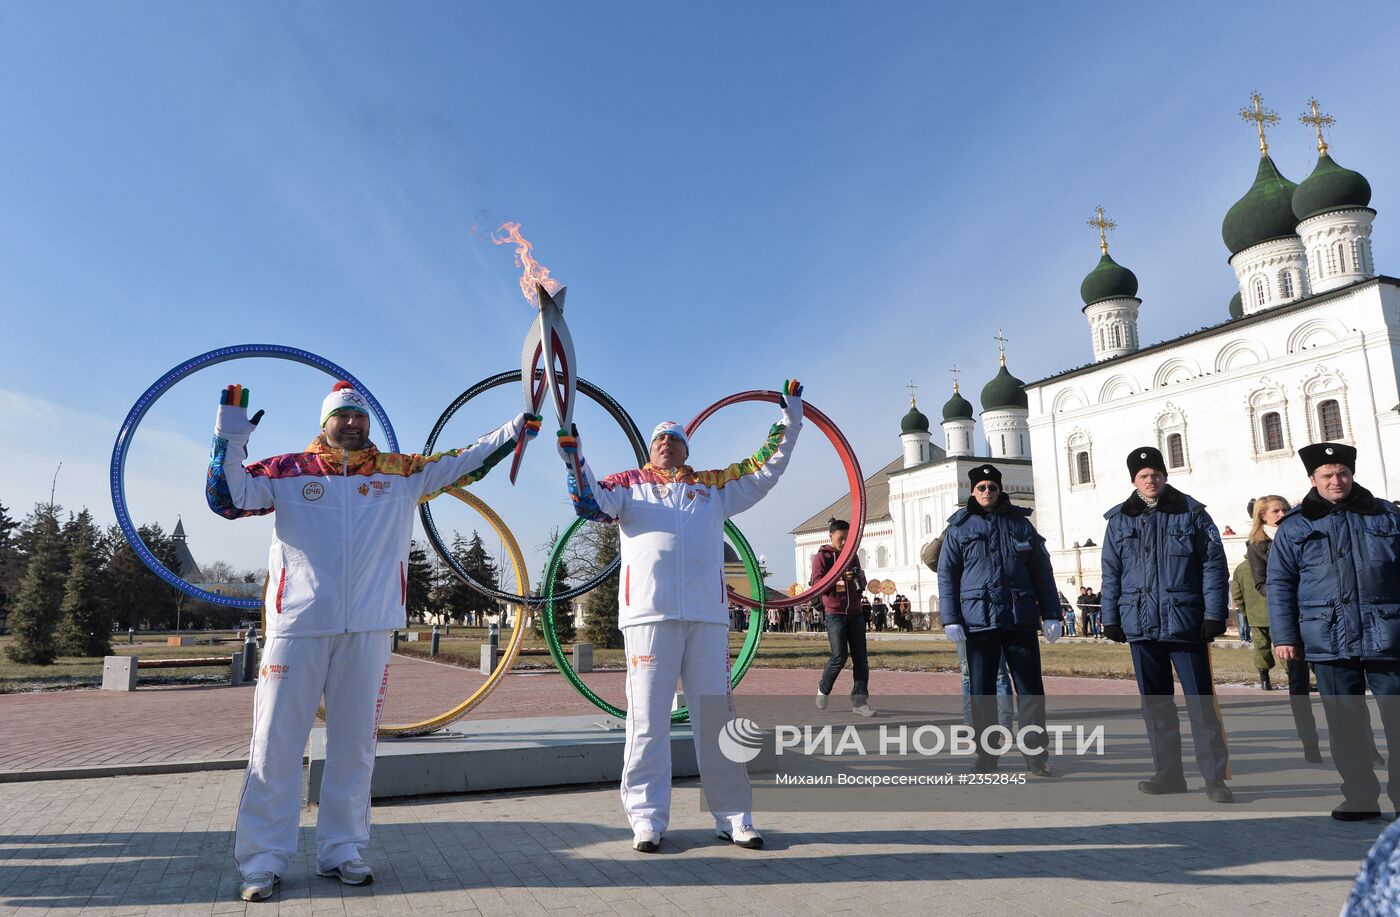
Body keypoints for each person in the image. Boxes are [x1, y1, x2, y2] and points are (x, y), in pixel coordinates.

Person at [208, 381, 538, 902]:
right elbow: (226, 499)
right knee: (275, 743)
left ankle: (341, 850)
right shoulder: (288, 471)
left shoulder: (400, 474)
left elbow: (468, 460)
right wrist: (230, 435)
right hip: (298, 625)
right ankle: (263, 861)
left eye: (360, 417)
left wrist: (520, 426)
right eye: (343, 416)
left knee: (355, 744)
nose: (354, 424)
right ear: (326, 422)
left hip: (369, 626)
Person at [558, 380, 804, 852]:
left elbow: (765, 467)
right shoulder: (628, 486)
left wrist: (789, 419)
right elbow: (588, 502)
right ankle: (647, 819)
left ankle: (734, 817)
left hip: (708, 620)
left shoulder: (711, 487)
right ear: (650, 449)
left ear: (686, 448)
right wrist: (573, 457)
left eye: (674, 438)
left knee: (718, 720)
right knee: (647, 721)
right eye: (659, 439)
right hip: (649, 617)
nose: (666, 443)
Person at [1268, 442, 1400, 820]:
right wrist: (1285, 635)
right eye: (1326, 475)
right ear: (1313, 479)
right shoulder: (1295, 526)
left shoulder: (1386, 516)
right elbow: (1280, 582)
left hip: (1387, 635)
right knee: (1345, 725)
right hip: (1327, 637)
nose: (1336, 480)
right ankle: (1360, 797)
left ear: (1352, 474)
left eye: (1342, 473)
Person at [1100, 446, 1233, 803]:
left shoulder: (1192, 514)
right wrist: (1110, 617)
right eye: (1143, 476)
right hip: (1140, 624)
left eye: (1156, 474)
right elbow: (1111, 573)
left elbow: (1213, 567)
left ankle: (1214, 778)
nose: (1150, 480)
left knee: (1201, 705)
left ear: (1165, 475)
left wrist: (1214, 613)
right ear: (1133, 481)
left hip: (1185, 623)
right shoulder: (1119, 520)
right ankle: (1168, 774)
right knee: (1156, 705)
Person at [938, 463, 1062, 775]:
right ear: (972, 490)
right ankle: (986, 757)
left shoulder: (1020, 525)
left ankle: (1036, 758)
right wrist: (950, 618)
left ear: (999, 489)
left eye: (992, 487)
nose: (987, 492)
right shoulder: (959, 528)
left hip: (1018, 618)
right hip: (978, 623)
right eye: (981, 487)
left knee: (1031, 691)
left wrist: (1051, 614)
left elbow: (1042, 572)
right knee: (982, 693)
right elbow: (947, 575)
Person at [813, 518, 872, 715]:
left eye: (848, 538)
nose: (845, 542)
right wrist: (840, 579)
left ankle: (859, 702)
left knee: (861, 659)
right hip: (835, 613)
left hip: (855, 612)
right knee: (839, 656)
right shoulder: (823, 557)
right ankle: (823, 688)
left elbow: (858, 582)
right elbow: (818, 584)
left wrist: (859, 579)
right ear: (831, 536)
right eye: (841, 538)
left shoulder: (852, 556)